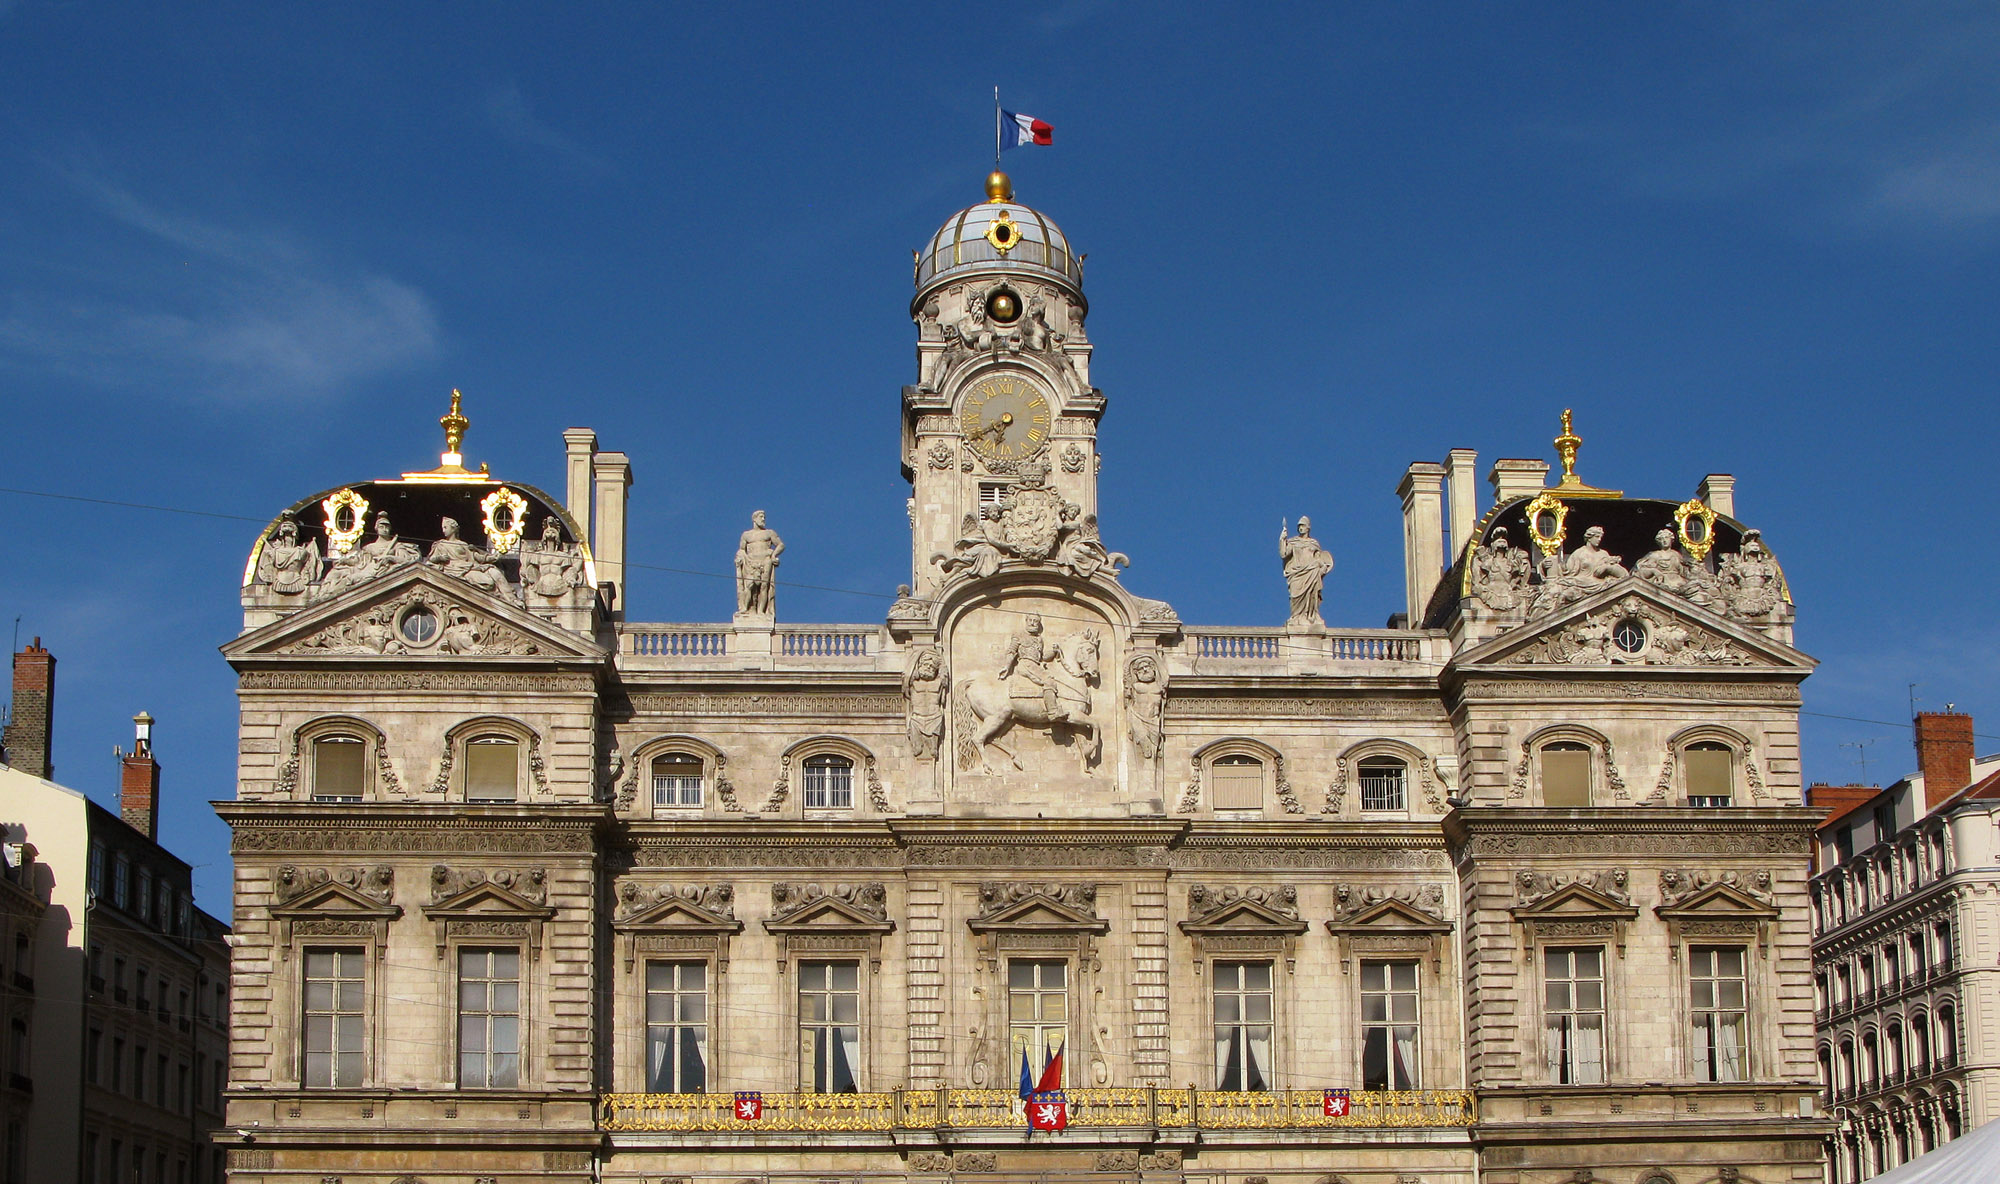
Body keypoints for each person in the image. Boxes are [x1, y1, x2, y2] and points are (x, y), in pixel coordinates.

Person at [1280, 517, 1336, 626]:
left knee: (1312, 594)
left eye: (1303, 525)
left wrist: (1323, 567)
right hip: (1297, 573)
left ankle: (1311, 615)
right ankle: (1296, 617)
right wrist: (1282, 540)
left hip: (1312, 571)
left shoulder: (1313, 543)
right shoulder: (1293, 542)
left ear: (1308, 527)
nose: (1301, 528)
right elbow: (1284, 554)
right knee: (1295, 595)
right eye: (1299, 526)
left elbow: (1319, 558)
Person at [735, 510, 784, 615]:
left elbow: (780, 545)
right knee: (749, 586)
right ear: (754, 519)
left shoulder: (769, 533)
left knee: (764, 586)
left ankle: (761, 611)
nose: (763, 519)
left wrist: (774, 555)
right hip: (750, 562)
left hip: (765, 560)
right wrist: (739, 558)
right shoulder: (746, 535)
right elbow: (742, 550)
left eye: (764, 517)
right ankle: (746, 608)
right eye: (761, 517)